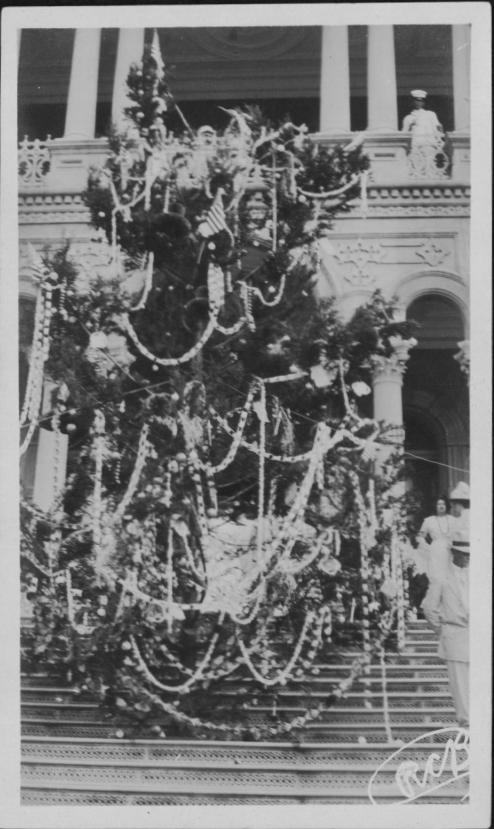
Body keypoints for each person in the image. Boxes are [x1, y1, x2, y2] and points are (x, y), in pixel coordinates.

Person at [422, 537, 469, 728]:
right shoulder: (441, 578)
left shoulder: (477, 576)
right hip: (454, 636)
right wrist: (442, 630)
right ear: (453, 553)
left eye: (469, 555)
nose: (467, 558)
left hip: (476, 637)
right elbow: (429, 608)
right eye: (463, 554)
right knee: (461, 688)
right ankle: (467, 727)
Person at [416, 495, 453, 582]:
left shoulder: (452, 520)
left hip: (450, 551)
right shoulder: (429, 520)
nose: (441, 506)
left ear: (447, 505)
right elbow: (420, 536)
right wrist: (427, 547)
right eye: (438, 504)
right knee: (436, 578)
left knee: (449, 578)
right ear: (435, 506)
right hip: (435, 552)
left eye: (443, 504)